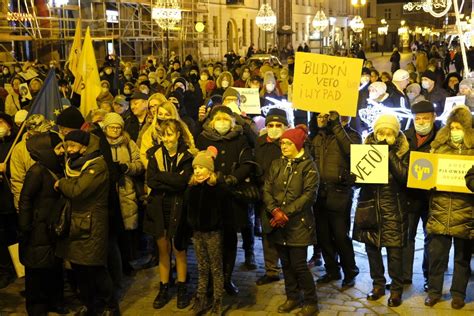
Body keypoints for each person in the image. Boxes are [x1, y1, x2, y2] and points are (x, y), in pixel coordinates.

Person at [55, 130, 118, 315]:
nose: (69, 150)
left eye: (73, 146)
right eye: (67, 146)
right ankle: (90, 304)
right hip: (76, 224)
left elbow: (78, 189)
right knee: (79, 269)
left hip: (92, 226)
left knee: (96, 268)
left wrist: (61, 184)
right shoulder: (72, 164)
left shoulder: (96, 166)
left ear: (83, 147)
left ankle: (110, 306)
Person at [353, 114, 409, 307]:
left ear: (396, 134)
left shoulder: (403, 151)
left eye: (389, 133)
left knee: (395, 253)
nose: (384, 136)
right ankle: (378, 285)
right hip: (369, 209)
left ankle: (396, 290)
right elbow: (358, 181)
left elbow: (404, 177)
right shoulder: (365, 150)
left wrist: (389, 154)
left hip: (393, 209)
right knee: (372, 250)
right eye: (381, 132)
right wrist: (351, 179)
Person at [262, 125, 319, 316]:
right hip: (280, 224)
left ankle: (311, 302)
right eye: (282, 143)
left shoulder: (308, 166)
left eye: (288, 143)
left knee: (299, 265)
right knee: (285, 264)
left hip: (298, 224)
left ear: (297, 144)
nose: (284, 146)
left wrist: (284, 213)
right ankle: (292, 297)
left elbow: (308, 195)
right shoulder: (277, 163)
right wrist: (274, 210)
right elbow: (267, 189)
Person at [196, 105, 253, 296]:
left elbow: (246, 164)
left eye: (226, 119)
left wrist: (232, 179)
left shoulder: (241, 138)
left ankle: (226, 279)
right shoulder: (204, 138)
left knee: (229, 240)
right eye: (218, 119)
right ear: (212, 122)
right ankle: (212, 280)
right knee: (211, 241)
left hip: (232, 196)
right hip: (210, 195)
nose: (222, 123)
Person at [424, 106, 473, 310]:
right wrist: (429, 184)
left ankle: (458, 294)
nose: (455, 131)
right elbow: (424, 177)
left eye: (459, 127)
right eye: (452, 127)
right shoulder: (438, 149)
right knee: (437, 256)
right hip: (440, 211)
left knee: (462, 258)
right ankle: (434, 292)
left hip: (466, 213)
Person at [143, 119, 194, 309]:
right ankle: (163, 287)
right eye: (163, 135)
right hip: (159, 207)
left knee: (179, 249)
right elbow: (152, 181)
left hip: (178, 207)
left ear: (178, 134)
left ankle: (182, 287)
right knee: (163, 250)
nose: (166, 139)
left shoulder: (186, 156)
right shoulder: (155, 154)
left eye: (170, 134)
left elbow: (183, 182)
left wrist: (166, 178)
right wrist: (173, 179)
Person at [19, 132, 67, 315]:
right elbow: (26, 199)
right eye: (57, 148)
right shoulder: (36, 171)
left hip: (52, 226)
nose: (62, 151)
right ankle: (37, 305)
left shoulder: (56, 167)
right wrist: (25, 225)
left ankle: (55, 300)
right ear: (45, 150)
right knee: (37, 268)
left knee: (53, 265)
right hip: (37, 227)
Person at [312, 111, 361, 290]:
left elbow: (352, 152)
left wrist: (337, 126)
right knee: (323, 236)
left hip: (340, 192)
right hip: (320, 194)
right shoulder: (317, 137)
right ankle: (332, 269)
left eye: (328, 116)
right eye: (319, 116)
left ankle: (350, 271)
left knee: (341, 236)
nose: (322, 119)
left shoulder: (352, 135)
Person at [403, 101, 440, 291]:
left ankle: (429, 277)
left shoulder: (441, 139)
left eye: (426, 118)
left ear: (433, 117)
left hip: (432, 198)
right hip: (409, 196)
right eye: (418, 118)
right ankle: (404, 277)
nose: (421, 122)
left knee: (431, 239)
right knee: (406, 237)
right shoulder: (405, 137)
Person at [102, 112, 144, 276]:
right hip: (108, 190)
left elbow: (139, 163)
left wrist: (128, 167)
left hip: (126, 189)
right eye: (112, 127)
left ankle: (126, 262)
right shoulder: (101, 143)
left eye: (118, 127)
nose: (115, 130)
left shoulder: (128, 142)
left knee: (126, 229)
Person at [186, 146, 226, 316]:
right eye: (195, 168)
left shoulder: (217, 188)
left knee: (216, 268)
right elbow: (188, 211)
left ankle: (218, 300)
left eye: (201, 167)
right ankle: (201, 298)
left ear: (210, 170)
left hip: (213, 233)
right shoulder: (191, 189)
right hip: (198, 233)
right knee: (202, 267)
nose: (198, 171)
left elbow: (226, 214)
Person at [254, 108, 288, 286]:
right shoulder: (259, 143)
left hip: (285, 196)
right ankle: (271, 270)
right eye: (271, 125)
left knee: (286, 234)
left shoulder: (288, 144)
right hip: (264, 196)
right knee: (268, 234)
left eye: (278, 125)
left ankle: (288, 268)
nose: (274, 128)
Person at [0, 112, 17, 289]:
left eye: (1, 122)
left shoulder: (16, 144)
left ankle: (17, 268)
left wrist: (8, 169)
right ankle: (5, 269)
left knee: (13, 235)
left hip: (10, 198)